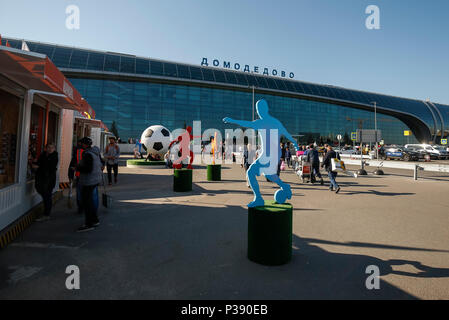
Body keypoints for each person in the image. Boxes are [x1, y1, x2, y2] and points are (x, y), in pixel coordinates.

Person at [76, 137, 104, 232]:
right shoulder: (95, 152)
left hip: (89, 181)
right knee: (90, 201)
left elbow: (87, 169)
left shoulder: (87, 154)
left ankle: (89, 224)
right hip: (95, 180)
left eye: (82, 143)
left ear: (84, 145)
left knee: (87, 202)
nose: (80, 145)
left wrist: (78, 168)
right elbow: (101, 163)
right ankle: (94, 220)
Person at [34, 143, 59, 222]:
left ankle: (46, 214)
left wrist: (39, 166)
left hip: (49, 180)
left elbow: (50, 167)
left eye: (52, 148)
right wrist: (34, 164)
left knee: (47, 196)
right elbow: (39, 162)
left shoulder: (54, 156)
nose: (50, 149)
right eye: (48, 147)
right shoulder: (43, 155)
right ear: (45, 148)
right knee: (44, 194)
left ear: (54, 149)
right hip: (42, 179)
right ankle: (46, 213)